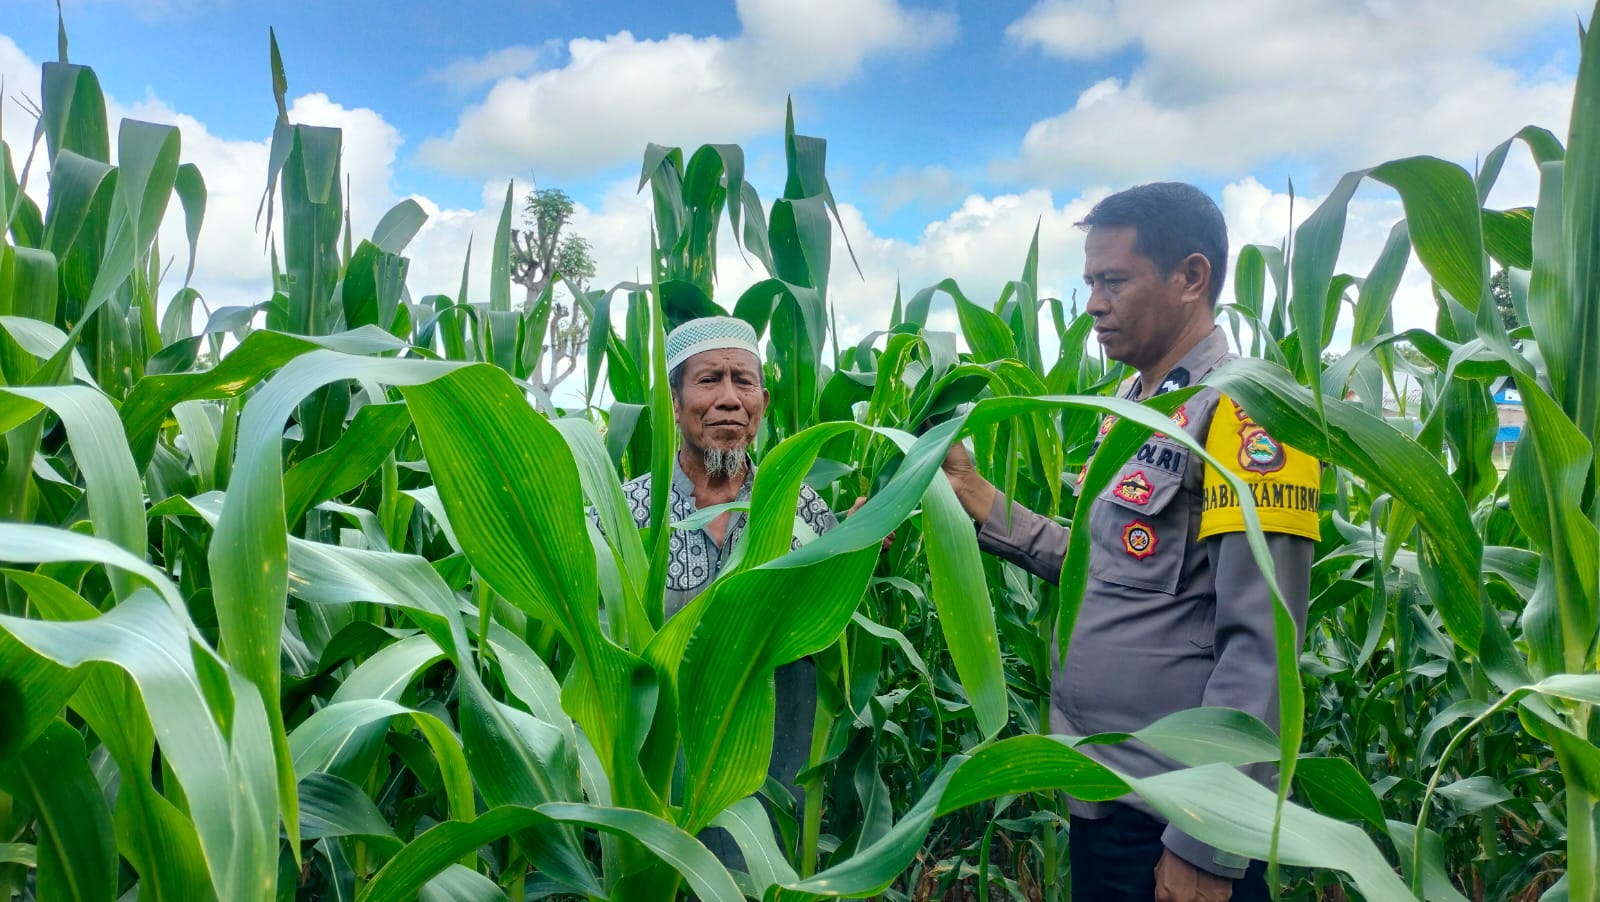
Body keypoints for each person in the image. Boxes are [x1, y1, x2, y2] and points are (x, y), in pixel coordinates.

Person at [940, 183, 1320, 902]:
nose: (1092, 304)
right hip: (1104, 799)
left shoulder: (1250, 413)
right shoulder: (1136, 407)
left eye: (1112, 281)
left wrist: (1207, 843)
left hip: (1175, 817)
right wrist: (976, 496)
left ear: (1191, 277)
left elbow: (1265, 648)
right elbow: (1106, 567)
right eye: (1089, 281)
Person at [615, 315, 838, 859]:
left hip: (770, 794)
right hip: (655, 797)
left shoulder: (803, 510)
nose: (730, 399)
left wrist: (859, 542)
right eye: (709, 380)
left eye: (744, 382)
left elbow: (829, 627)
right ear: (674, 402)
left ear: (763, 402)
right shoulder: (625, 512)